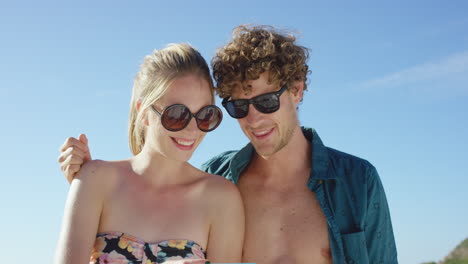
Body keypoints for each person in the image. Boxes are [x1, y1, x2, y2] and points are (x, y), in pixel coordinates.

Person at [59, 25, 397, 264]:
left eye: (266, 102)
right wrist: (86, 183)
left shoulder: (357, 181)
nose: (253, 119)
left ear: (297, 90)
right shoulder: (220, 179)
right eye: (238, 106)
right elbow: (154, 192)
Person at [54, 43, 244, 264]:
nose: (192, 130)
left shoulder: (222, 198)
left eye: (204, 115)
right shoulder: (95, 179)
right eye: (176, 115)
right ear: (143, 113)